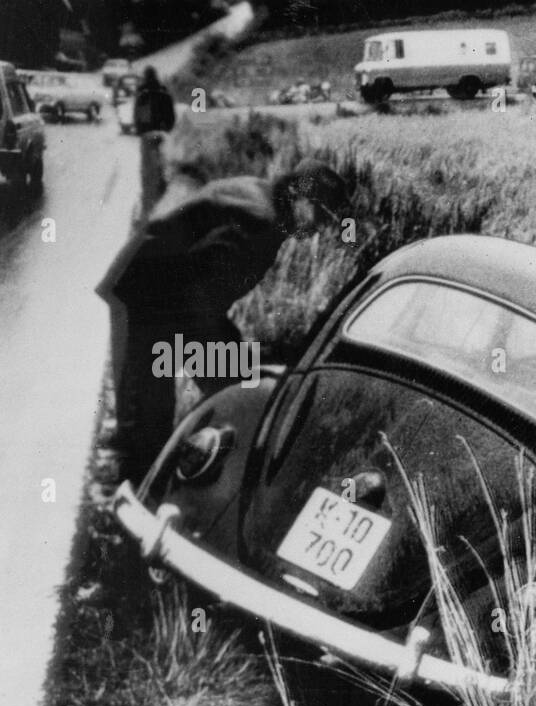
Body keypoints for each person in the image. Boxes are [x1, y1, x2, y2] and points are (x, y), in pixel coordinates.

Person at [97, 159, 349, 484]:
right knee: (148, 409)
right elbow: (196, 297)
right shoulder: (260, 221)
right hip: (145, 294)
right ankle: (136, 496)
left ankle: (197, 456)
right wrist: (222, 354)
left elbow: (204, 295)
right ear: (300, 197)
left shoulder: (265, 200)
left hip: (171, 293)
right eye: (321, 216)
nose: (319, 228)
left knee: (232, 380)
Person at [132, 66, 175, 135]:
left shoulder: (143, 95)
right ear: (155, 76)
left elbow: (138, 115)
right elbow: (171, 115)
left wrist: (140, 130)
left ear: (145, 77)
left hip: (147, 132)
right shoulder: (164, 93)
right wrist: (167, 128)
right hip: (162, 131)